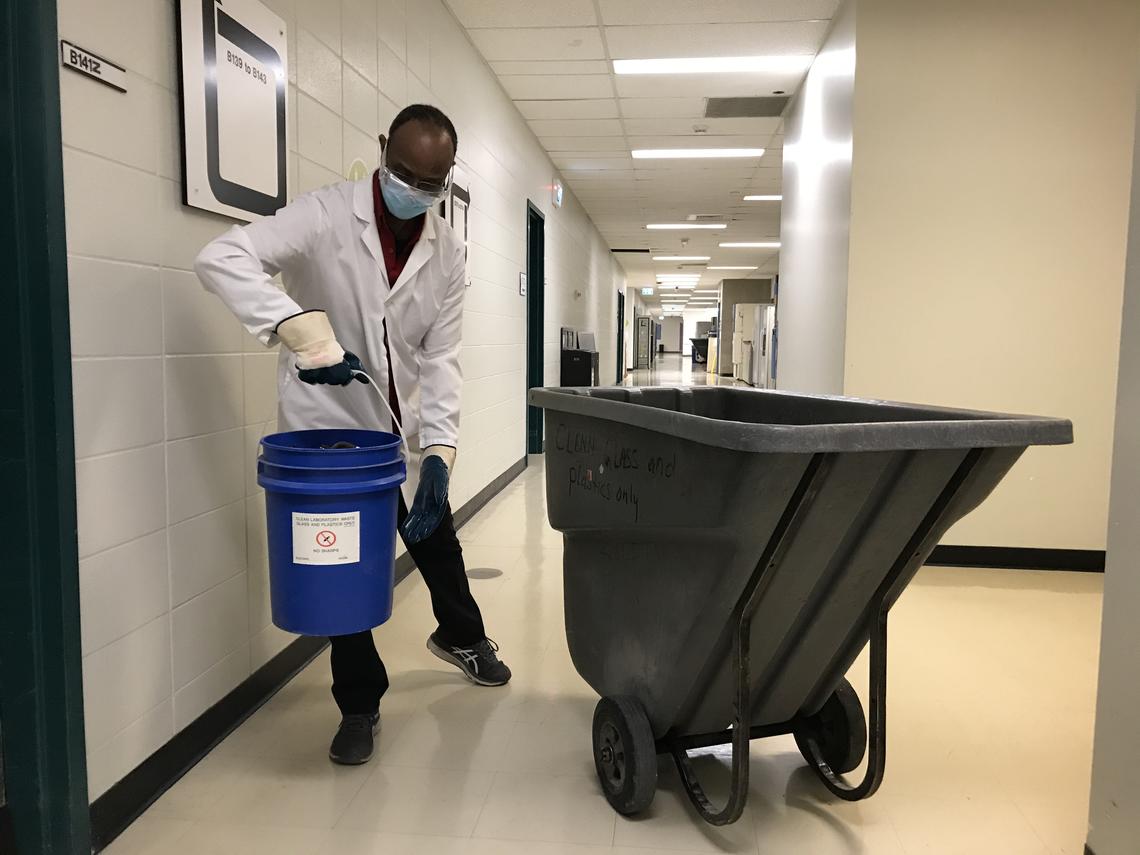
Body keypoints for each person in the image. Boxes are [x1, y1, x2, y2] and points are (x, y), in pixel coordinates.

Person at [194, 104, 511, 766]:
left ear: (447, 179)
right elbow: (221, 256)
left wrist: (441, 455)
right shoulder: (325, 215)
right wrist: (301, 331)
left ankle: (461, 633)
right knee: (345, 566)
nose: (412, 190)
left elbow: (442, 356)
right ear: (380, 151)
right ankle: (360, 705)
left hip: (401, 424)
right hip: (328, 429)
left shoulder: (449, 252)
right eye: (402, 171)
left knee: (433, 530)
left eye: (430, 181)